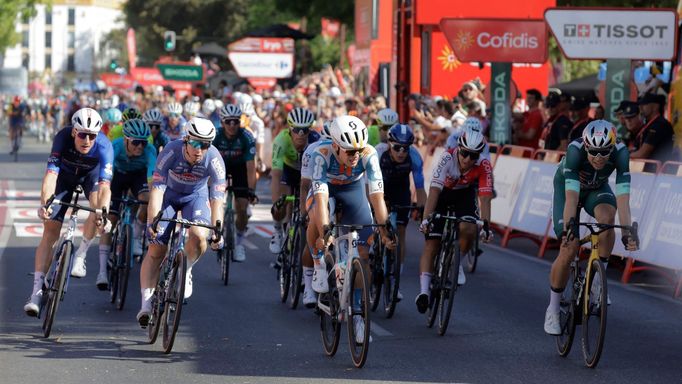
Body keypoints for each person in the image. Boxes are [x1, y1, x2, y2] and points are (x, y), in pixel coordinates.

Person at [543, 120, 638, 335]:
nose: (597, 157)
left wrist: (626, 232)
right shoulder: (575, 151)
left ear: (612, 147)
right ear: (586, 146)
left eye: (604, 152)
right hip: (568, 190)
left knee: (607, 218)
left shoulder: (621, 154)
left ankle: (597, 280)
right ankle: (553, 308)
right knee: (569, 247)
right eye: (593, 151)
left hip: (597, 188)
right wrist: (569, 228)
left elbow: (623, 201)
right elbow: (571, 198)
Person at [307, 115, 395, 342]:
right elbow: (320, 196)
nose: (355, 155)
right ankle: (319, 262)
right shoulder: (322, 154)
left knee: (363, 254)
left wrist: (385, 230)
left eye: (359, 150)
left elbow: (377, 197)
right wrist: (325, 230)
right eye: (349, 151)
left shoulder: (368, 154)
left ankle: (357, 315)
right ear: (335, 145)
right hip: (326, 190)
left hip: (353, 191)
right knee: (317, 217)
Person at [24, 108, 114, 316]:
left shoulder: (104, 146)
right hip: (64, 177)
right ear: (74, 132)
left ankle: (81, 253)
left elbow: (105, 188)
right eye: (82, 134)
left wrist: (103, 213)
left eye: (92, 136)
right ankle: (36, 291)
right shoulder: (62, 138)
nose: (87, 140)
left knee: (95, 208)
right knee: (51, 231)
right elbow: (50, 177)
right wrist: (45, 204)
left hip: (91, 178)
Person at [137, 117, 225, 327]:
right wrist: (153, 221)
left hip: (196, 198)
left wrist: (218, 230)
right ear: (185, 140)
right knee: (156, 249)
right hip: (168, 195)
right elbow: (156, 191)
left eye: (205, 145)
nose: (199, 150)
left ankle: (186, 268)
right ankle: (146, 304)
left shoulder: (214, 159)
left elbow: (217, 199)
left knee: (199, 236)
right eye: (195, 143)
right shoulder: (171, 150)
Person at [415, 129, 494, 313]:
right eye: (465, 153)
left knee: (469, 229)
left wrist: (486, 227)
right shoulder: (447, 158)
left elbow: (485, 198)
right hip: (442, 194)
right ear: (459, 148)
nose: (467, 159)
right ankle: (424, 292)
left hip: (464, 195)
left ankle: (456, 264)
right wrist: (426, 219)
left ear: (479, 155)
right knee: (432, 244)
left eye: (473, 156)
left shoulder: (483, 165)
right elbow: (434, 191)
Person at [96, 119, 157, 289]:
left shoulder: (150, 151)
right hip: (116, 176)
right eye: (135, 142)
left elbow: (152, 181)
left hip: (137, 176)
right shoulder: (114, 147)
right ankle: (102, 271)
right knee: (112, 218)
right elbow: (103, 176)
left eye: (143, 143)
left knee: (146, 198)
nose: (140, 147)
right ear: (126, 140)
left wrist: (153, 200)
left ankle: (135, 234)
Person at [375, 123, 427, 300]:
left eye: (405, 149)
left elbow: (420, 188)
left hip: (401, 190)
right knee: (377, 221)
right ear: (389, 144)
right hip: (379, 188)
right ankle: (375, 248)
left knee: (401, 232)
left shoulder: (414, 157)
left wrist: (422, 211)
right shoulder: (378, 153)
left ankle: (395, 279)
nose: (401, 152)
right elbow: (368, 185)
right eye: (397, 148)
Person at [269, 107, 319, 254]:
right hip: (288, 170)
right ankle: (278, 230)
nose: (301, 134)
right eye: (296, 129)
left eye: (305, 130)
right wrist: (276, 203)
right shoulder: (281, 140)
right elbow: (276, 175)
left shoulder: (316, 140)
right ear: (290, 128)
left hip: (307, 172)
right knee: (283, 203)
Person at [213, 104, 258, 262]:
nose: (232, 125)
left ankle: (239, 243)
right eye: (228, 122)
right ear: (222, 122)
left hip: (240, 168)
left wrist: (251, 190)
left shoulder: (246, 136)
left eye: (235, 122)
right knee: (215, 200)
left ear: (240, 122)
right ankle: (216, 231)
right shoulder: (216, 136)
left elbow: (251, 168)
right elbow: (207, 164)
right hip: (220, 167)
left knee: (242, 206)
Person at [298, 120, 332, 307]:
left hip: (339, 189)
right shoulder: (312, 150)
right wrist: (305, 211)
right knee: (315, 226)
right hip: (317, 188)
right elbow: (305, 185)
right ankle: (309, 287)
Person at [630, 93, 674, 162]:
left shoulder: (660, 125)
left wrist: (624, 155)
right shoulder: (650, 124)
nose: (640, 107)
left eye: (644, 104)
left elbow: (642, 154)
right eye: (640, 104)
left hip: (656, 171)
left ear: (655, 106)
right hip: (646, 169)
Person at [239, 100, 267, 174]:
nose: (244, 118)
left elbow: (259, 144)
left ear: (251, 115)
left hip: (251, 147)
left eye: (247, 116)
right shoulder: (237, 121)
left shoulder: (258, 123)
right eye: (241, 115)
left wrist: (260, 160)